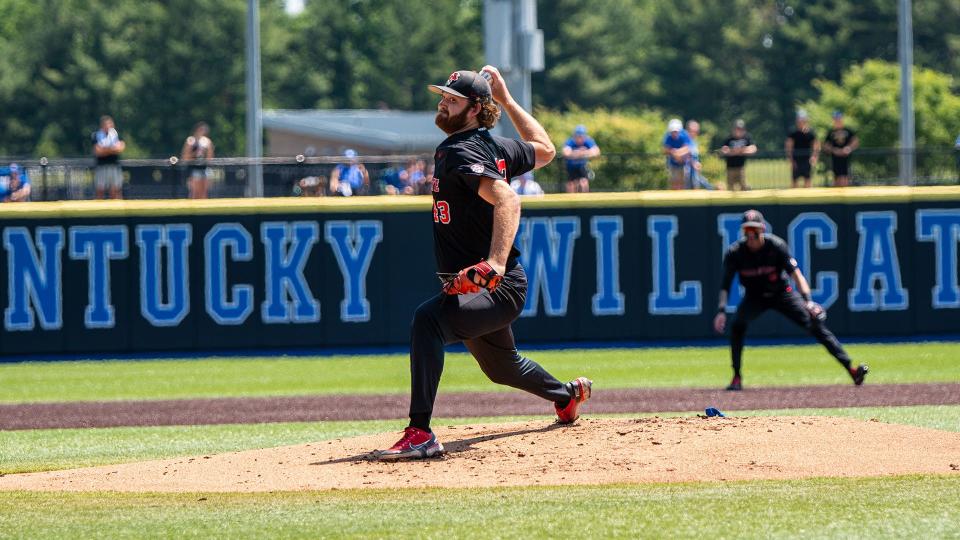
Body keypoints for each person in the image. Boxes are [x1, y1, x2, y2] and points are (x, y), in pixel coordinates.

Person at [376, 66, 592, 460]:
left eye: (452, 100)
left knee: (428, 322)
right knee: (501, 367)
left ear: (475, 109)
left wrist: (494, 262)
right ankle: (567, 395)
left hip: (496, 284)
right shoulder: (493, 146)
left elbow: (508, 199)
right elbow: (546, 149)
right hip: (479, 285)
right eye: (443, 96)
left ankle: (420, 433)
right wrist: (507, 101)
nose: (443, 103)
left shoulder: (463, 151)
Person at [713, 209, 869, 391]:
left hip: (781, 293)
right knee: (737, 325)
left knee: (815, 324)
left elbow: (796, 275)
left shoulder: (776, 246)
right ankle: (736, 377)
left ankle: (850, 369)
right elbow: (725, 285)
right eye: (746, 231)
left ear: (762, 230)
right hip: (754, 297)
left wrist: (808, 301)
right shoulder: (735, 253)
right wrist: (721, 311)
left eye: (754, 230)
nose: (751, 235)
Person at [821, 111, 859, 187]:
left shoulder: (848, 131)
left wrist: (848, 148)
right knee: (837, 177)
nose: (837, 121)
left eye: (839, 119)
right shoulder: (831, 132)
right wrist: (834, 150)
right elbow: (825, 145)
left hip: (846, 158)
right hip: (835, 158)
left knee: (845, 177)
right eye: (836, 119)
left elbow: (856, 141)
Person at [92, 115, 125, 199]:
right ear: (102, 125)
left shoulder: (116, 134)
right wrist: (112, 149)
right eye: (106, 124)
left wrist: (105, 149)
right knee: (100, 190)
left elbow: (121, 148)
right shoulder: (96, 135)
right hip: (101, 167)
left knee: (115, 190)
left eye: (110, 124)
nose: (108, 126)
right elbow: (97, 151)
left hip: (114, 166)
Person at [785, 110, 820, 188]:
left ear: (806, 120)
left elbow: (816, 145)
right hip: (796, 160)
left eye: (803, 120)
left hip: (807, 159)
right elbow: (789, 146)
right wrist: (790, 159)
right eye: (799, 120)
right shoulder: (793, 133)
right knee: (794, 181)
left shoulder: (810, 133)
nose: (801, 122)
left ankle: (808, 199)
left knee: (808, 181)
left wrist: (814, 157)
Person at [720, 119, 757, 191]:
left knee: (743, 186)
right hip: (730, 168)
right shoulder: (729, 138)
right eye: (737, 129)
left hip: (741, 167)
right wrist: (734, 151)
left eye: (741, 129)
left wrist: (742, 150)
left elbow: (753, 148)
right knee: (730, 188)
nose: (739, 131)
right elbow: (724, 150)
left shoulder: (746, 138)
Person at [181, 122, 215, 199]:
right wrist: (195, 153)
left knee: (204, 193)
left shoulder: (207, 141)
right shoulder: (190, 141)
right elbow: (185, 157)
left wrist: (206, 152)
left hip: (205, 169)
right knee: (194, 192)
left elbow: (210, 158)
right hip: (193, 169)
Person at [562, 124, 600, 193]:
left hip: (582, 166)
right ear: (574, 136)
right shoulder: (570, 141)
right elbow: (566, 153)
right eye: (577, 136)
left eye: (581, 136)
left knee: (584, 182)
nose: (579, 138)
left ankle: (585, 199)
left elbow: (596, 152)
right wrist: (582, 153)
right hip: (571, 167)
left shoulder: (588, 141)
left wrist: (577, 153)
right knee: (571, 184)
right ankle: (570, 200)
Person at [684, 120, 714, 190]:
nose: (694, 133)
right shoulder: (685, 141)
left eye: (696, 131)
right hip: (687, 172)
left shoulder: (694, 142)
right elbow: (686, 155)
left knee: (706, 186)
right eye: (692, 131)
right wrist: (694, 163)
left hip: (694, 172)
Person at [663, 118, 691, 190]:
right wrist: (674, 153)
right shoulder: (668, 137)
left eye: (676, 131)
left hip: (684, 163)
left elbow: (687, 148)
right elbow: (665, 149)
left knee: (683, 181)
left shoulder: (684, 135)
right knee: (673, 181)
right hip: (673, 164)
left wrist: (677, 153)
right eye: (672, 131)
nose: (674, 133)